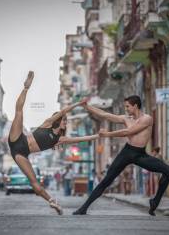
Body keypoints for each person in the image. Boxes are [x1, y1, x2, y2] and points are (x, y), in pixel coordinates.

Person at [7, 71, 100, 215]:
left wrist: (97, 136)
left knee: (34, 182)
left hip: (21, 153)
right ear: (58, 120)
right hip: (18, 138)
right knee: (19, 112)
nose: (65, 122)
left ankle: (52, 201)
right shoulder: (48, 123)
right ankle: (26, 87)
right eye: (64, 120)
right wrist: (77, 104)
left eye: (66, 121)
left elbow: (81, 139)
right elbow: (63, 110)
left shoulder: (60, 140)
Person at [73, 95, 169, 216]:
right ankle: (83, 208)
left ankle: (155, 201)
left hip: (140, 154)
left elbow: (128, 132)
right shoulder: (126, 118)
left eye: (127, 106)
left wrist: (107, 134)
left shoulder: (147, 119)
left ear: (135, 106)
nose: (126, 109)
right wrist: (87, 107)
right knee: (106, 181)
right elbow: (105, 115)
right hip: (127, 152)